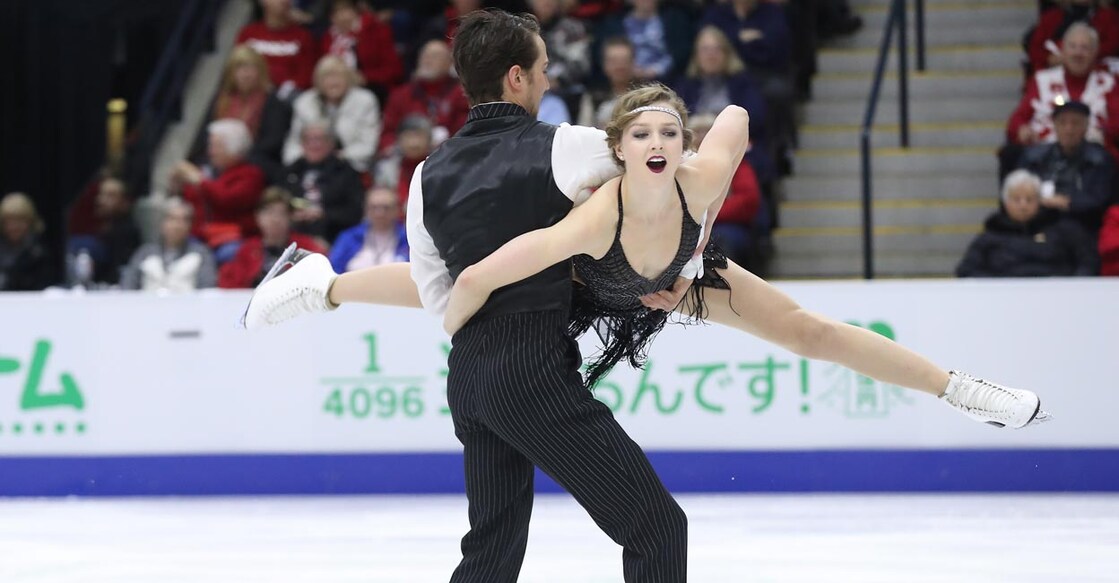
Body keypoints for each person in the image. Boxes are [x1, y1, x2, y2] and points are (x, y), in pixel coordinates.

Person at [240, 11, 1051, 583]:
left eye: (670, 133)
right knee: (633, 515)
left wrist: (694, 223)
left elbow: (724, 122)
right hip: (592, 288)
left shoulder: (658, 170)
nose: (657, 144)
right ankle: (325, 284)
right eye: (642, 135)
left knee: (807, 329)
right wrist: (464, 311)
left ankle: (959, 388)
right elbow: (478, 278)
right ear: (614, 147)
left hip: (671, 281)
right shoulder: (588, 172)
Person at [957, 169, 1099, 277]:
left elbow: (1088, 262)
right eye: (1016, 199)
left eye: (1029, 199)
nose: (1023, 206)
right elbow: (966, 271)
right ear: (1005, 203)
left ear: (1040, 201)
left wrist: (1071, 288)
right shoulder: (991, 236)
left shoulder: (1064, 230)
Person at [120, 198, 218, 292]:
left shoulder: (202, 254)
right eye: (172, 219)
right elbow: (128, 286)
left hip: (187, 307)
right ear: (162, 223)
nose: (177, 225)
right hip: (148, 307)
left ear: (190, 226)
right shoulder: (144, 252)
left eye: (184, 220)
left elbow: (207, 290)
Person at [328, 187, 409, 271]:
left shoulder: (408, 239)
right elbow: (334, 269)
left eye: (386, 208)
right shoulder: (349, 237)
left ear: (396, 210)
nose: (380, 213)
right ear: (366, 210)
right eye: (374, 207)